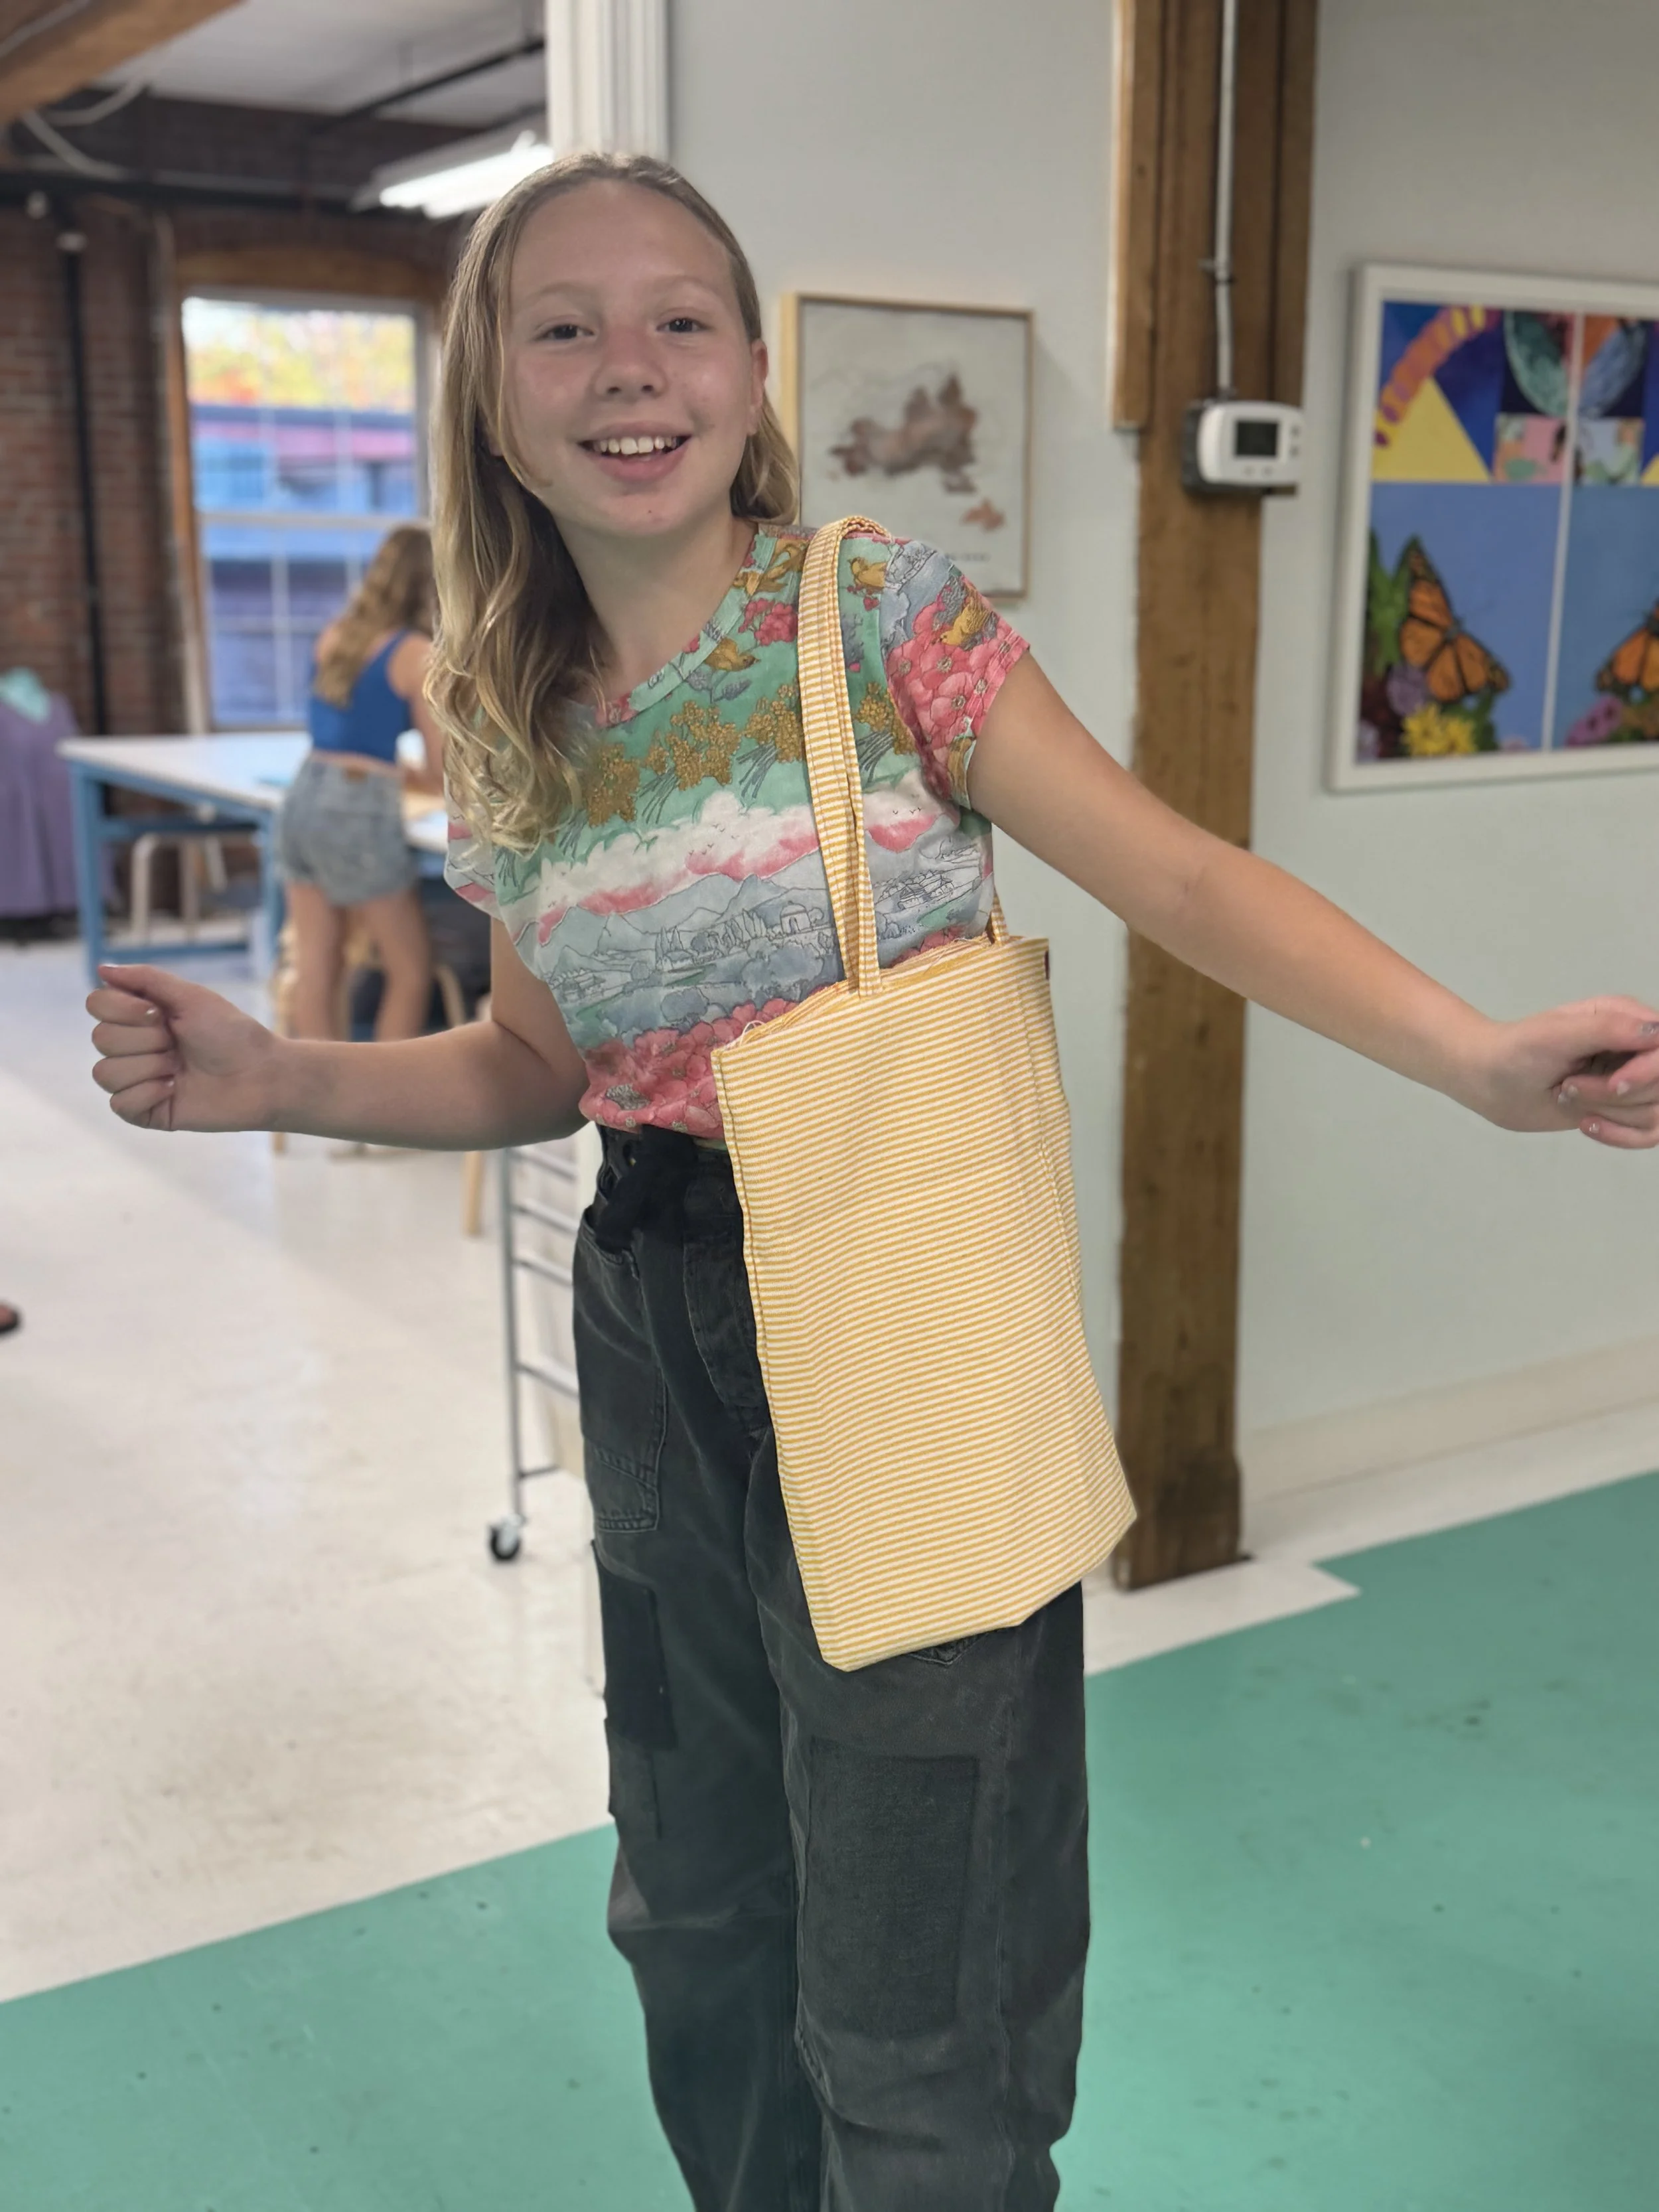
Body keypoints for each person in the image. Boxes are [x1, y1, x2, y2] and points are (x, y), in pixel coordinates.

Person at [85, 155, 1659, 2209]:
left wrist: (1465, 1056)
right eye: (562, 323)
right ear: (489, 395)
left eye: (677, 320)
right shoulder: (504, 719)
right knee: (700, 1922)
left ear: (751, 370)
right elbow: (537, 1069)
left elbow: (1175, 869)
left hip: (900, 1314)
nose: (625, 368)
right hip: (652, 1317)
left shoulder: (872, 620)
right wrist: (276, 1072)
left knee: (920, 1997)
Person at [274, 523, 447, 1043]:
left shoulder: (336, 635)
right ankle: (385, 1109)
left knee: (318, 961)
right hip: (356, 809)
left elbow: (343, 735)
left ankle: (320, 1094)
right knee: (410, 969)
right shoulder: (414, 653)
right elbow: (442, 769)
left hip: (304, 793)